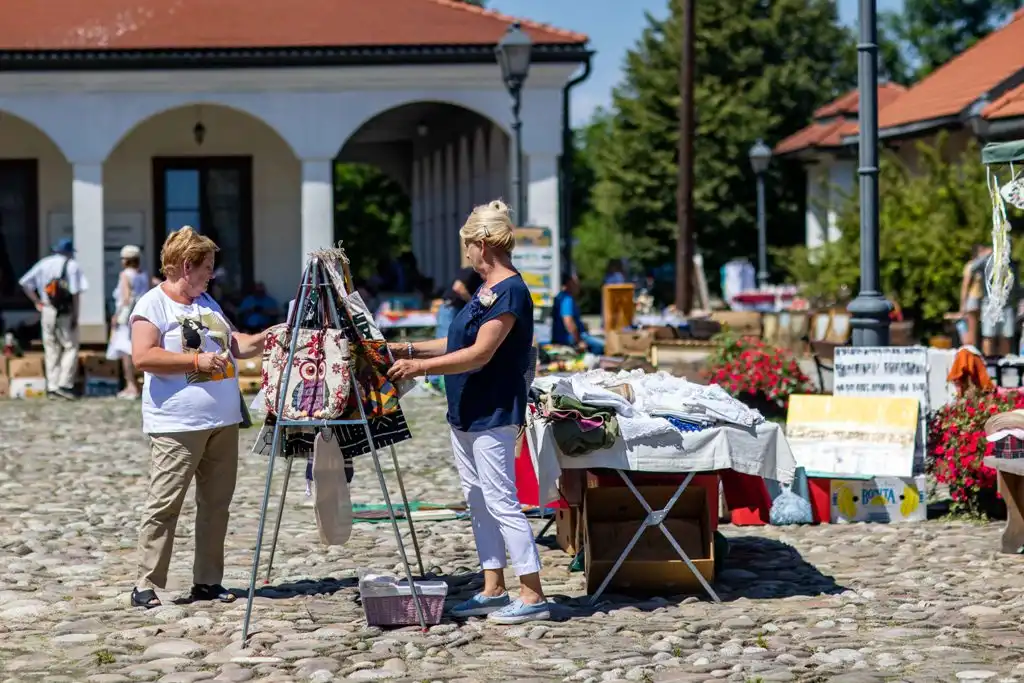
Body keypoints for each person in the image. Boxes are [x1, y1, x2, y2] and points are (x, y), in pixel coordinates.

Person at [387, 199, 550, 625]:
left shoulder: (510, 291)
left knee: (502, 501)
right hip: (465, 410)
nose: (467, 255)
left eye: (468, 246)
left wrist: (420, 368)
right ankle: (493, 586)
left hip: (493, 409)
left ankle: (532, 593)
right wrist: (407, 348)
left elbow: (480, 353)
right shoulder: (485, 289)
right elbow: (458, 342)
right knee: (478, 500)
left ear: (483, 244)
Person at [128, 226, 267, 609]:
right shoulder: (152, 305)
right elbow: (143, 356)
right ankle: (146, 583)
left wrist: (268, 338)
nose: (211, 275)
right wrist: (195, 362)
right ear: (186, 266)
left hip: (222, 421)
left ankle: (207, 581)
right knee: (165, 503)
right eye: (207, 267)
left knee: (216, 505)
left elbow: (233, 344)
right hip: (177, 424)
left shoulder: (206, 301)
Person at [18, 238, 88, 400]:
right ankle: (65, 384)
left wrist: (37, 302)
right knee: (70, 346)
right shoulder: (72, 266)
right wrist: (76, 315)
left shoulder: (44, 263)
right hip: (65, 311)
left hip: (48, 309)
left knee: (50, 347)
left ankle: (52, 385)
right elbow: (76, 293)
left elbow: (25, 283)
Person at [106, 245, 155, 399]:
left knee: (125, 351)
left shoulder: (125, 275)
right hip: (143, 315)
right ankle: (143, 385)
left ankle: (131, 385)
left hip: (127, 318)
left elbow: (126, 299)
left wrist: (116, 316)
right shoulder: (145, 275)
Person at [429, 265, 484, 388]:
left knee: (452, 341)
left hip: (454, 308)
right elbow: (458, 287)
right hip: (451, 308)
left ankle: (440, 378)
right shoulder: (471, 271)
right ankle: (434, 380)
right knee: (445, 341)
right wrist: (472, 303)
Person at [962, 243, 1020, 356]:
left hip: (1007, 305)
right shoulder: (988, 261)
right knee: (989, 336)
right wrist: (986, 255)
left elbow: (1016, 286)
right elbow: (973, 268)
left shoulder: (1012, 264)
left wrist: (1016, 303)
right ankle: (989, 362)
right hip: (990, 304)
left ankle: (1003, 362)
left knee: (1006, 336)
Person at [551, 273, 605, 355]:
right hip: (570, 339)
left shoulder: (561, 296)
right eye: (576, 284)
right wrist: (579, 341)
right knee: (603, 346)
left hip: (567, 337)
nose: (579, 286)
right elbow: (568, 321)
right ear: (570, 283)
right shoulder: (567, 299)